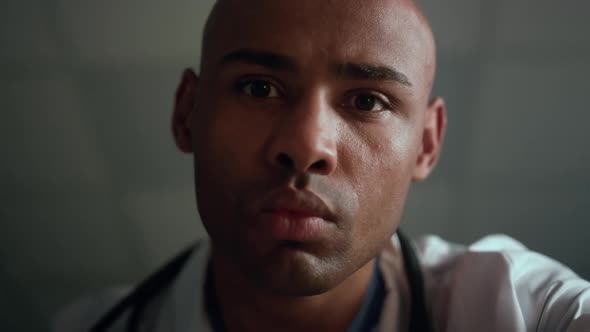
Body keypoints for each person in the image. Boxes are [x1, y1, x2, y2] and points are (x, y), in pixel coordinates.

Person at [55, 0, 590, 331]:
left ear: (426, 144)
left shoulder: (523, 311)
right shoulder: (85, 325)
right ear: (187, 113)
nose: (308, 146)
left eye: (366, 101)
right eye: (259, 88)